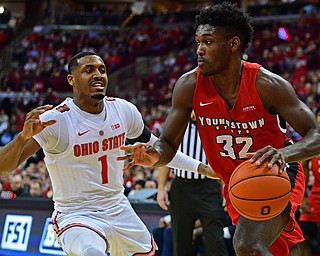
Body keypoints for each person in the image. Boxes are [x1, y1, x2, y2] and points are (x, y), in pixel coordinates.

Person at [117, 3, 320, 256]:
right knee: (275, 249)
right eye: (198, 42)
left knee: (247, 245)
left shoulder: (267, 84)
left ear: (233, 44)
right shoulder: (188, 85)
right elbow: (167, 144)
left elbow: (316, 134)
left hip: (277, 171)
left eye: (208, 42)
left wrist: (285, 154)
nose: (199, 50)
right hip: (236, 181)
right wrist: (154, 154)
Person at [0, 51, 216, 256]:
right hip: (76, 214)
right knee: (92, 252)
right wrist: (21, 138)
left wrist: (203, 168)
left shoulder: (123, 110)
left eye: (102, 70)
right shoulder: (56, 120)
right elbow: (3, 167)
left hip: (118, 207)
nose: (98, 75)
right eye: (88, 70)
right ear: (71, 79)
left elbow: (161, 149)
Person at [157, 111, 228, 256]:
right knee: (180, 239)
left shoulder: (216, 121)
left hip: (209, 186)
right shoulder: (177, 121)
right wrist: (160, 188)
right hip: (181, 186)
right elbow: (165, 156)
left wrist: (227, 187)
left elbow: (225, 157)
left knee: (215, 238)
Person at [299, 108, 320, 256]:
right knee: (303, 236)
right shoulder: (312, 141)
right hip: (316, 194)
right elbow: (303, 169)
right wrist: (302, 198)